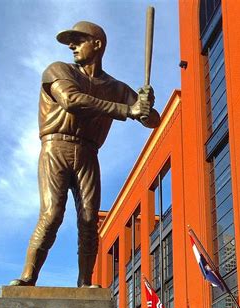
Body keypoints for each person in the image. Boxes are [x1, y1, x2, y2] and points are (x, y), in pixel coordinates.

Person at [10, 21, 160, 288]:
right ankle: (28, 278)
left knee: (90, 221)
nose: (72, 46)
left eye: (79, 40)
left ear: (97, 44)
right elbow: (71, 100)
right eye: (72, 41)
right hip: (56, 147)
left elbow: (153, 121)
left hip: (89, 152)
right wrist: (128, 110)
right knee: (52, 214)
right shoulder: (59, 70)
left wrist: (146, 104)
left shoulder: (115, 87)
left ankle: (84, 283)